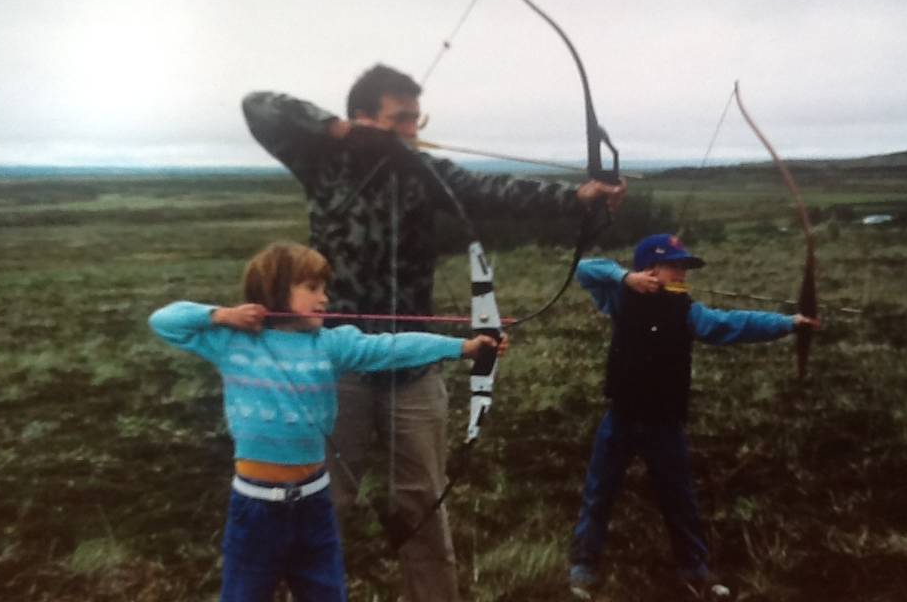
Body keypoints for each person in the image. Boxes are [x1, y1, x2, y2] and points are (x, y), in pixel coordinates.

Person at [242, 63, 626, 601]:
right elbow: (257, 105)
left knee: (422, 500)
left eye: (415, 120)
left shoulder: (424, 171)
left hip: (411, 362)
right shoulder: (324, 161)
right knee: (321, 498)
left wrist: (578, 199)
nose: (411, 131)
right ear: (363, 117)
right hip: (336, 362)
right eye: (399, 119)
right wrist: (336, 130)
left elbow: (492, 191)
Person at [148, 242, 507, 602]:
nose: (325, 298)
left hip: (314, 506)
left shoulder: (331, 344)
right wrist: (221, 316)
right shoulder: (233, 342)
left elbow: (393, 347)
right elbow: (164, 321)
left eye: (325, 288)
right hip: (255, 508)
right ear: (275, 289)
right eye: (312, 288)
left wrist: (464, 348)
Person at [568, 233, 821, 600]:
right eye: (674, 266)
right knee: (598, 493)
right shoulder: (619, 298)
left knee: (679, 499)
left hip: (664, 422)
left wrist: (788, 323)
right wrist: (625, 277)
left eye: (684, 267)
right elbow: (583, 269)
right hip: (620, 417)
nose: (682, 274)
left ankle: (694, 571)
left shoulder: (687, 312)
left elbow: (733, 324)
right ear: (650, 269)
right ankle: (584, 567)